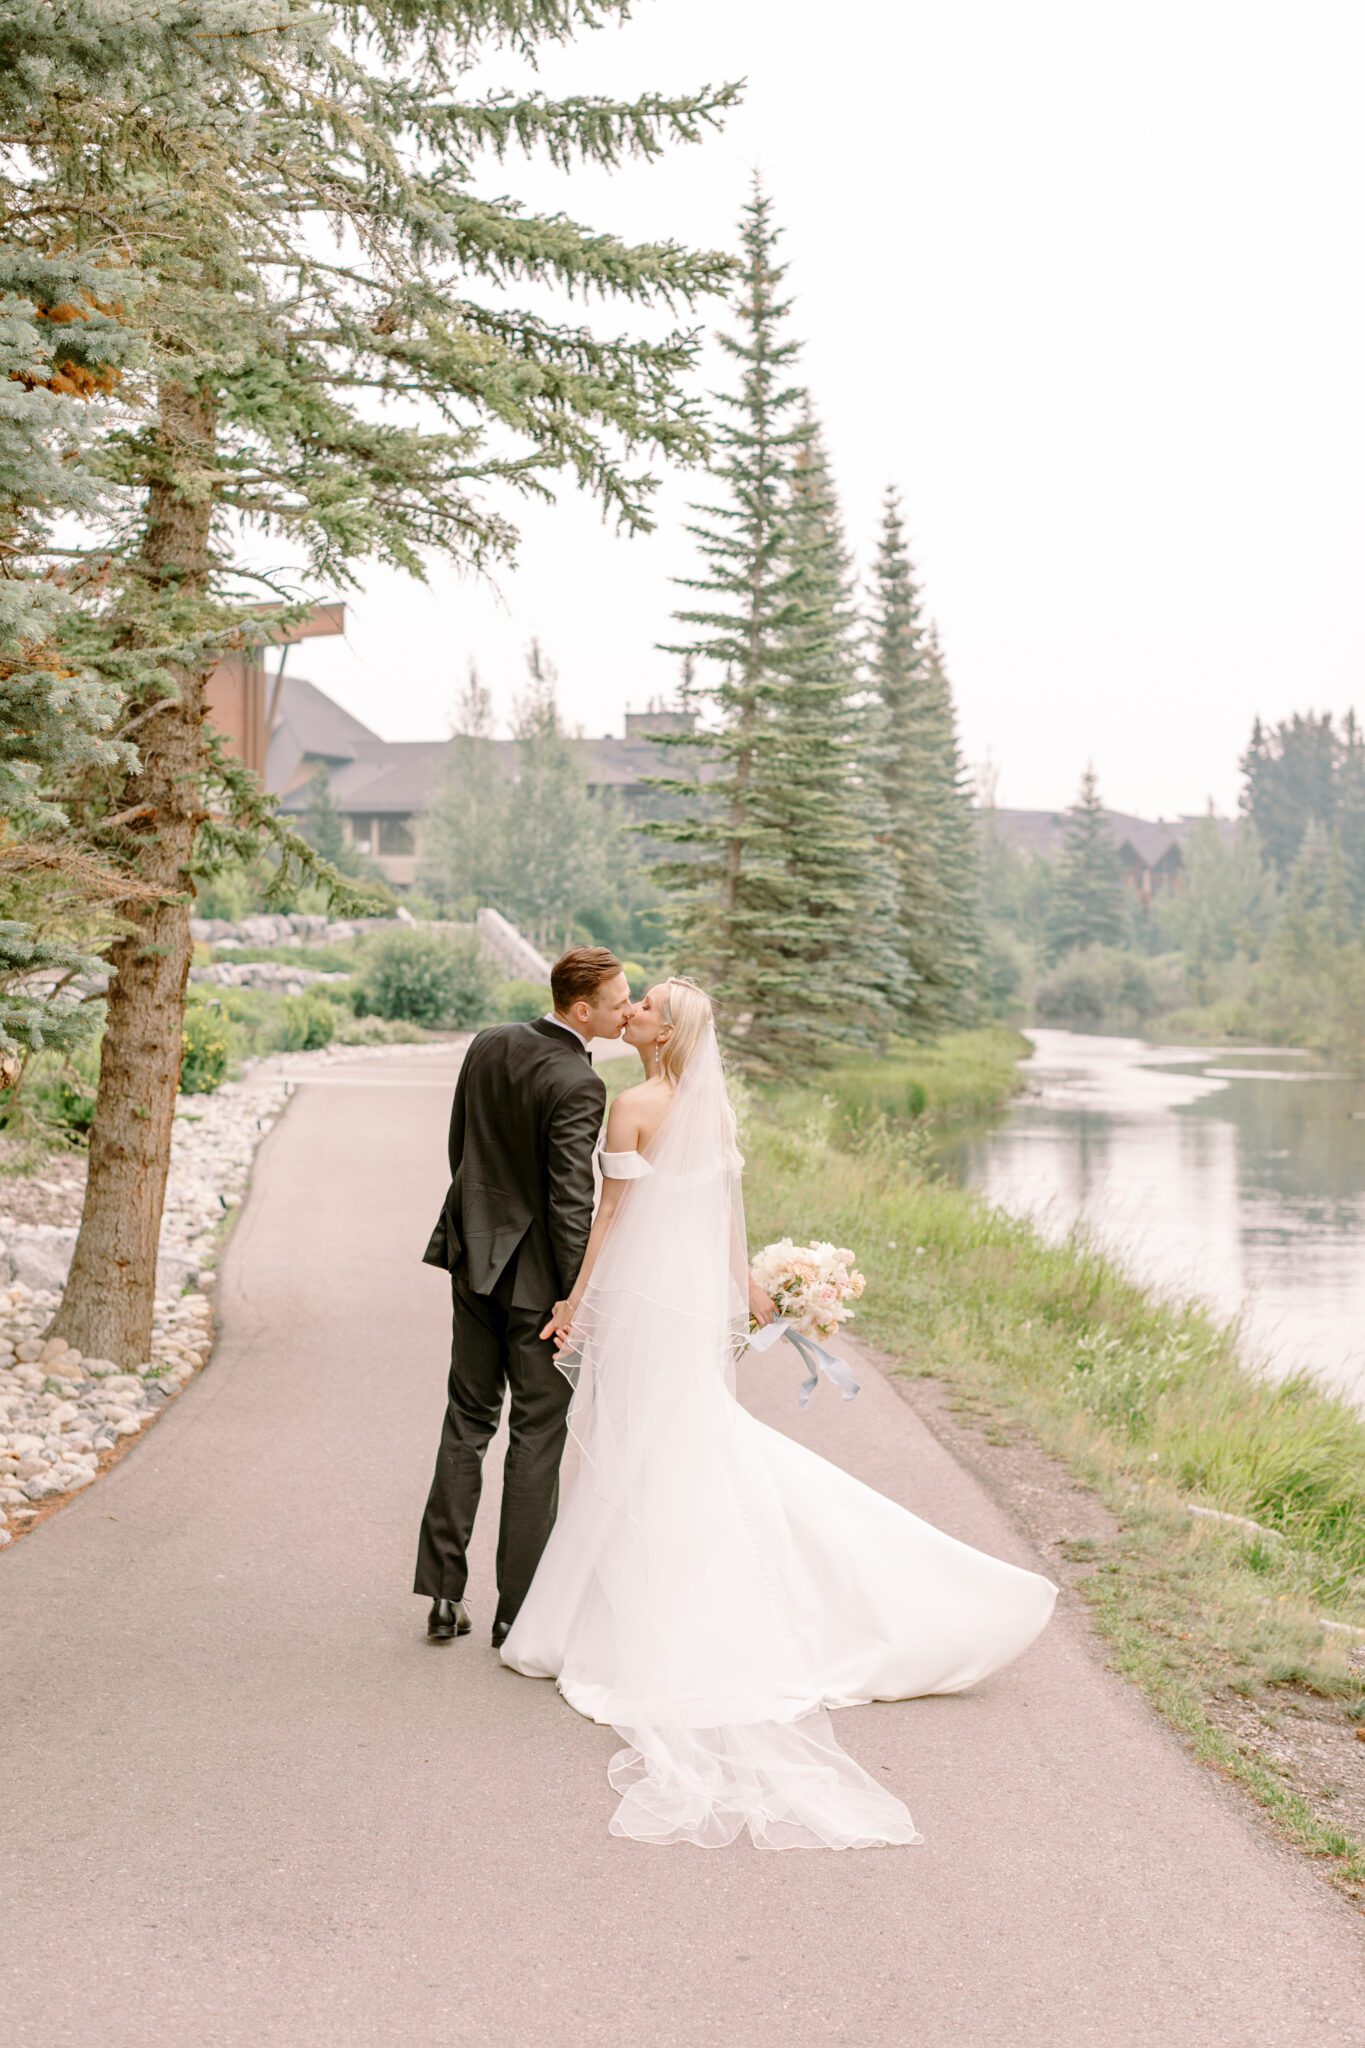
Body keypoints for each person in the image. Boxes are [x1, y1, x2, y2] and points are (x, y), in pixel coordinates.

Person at [501, 977, 1060, 1850]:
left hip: (652, 1299)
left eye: (644, 1005)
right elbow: (725, 1216)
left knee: (646, 1446)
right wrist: (748, 1290)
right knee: (684, 1440)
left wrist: (576, 1304)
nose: (632, 1011)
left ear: (664, 1031)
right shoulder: (707, 1114)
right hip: (692, 1301)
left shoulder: (634, 1106)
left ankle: (629, 1619)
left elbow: (609, 1218)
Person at [413, 946, 633, 1648]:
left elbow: (462, 1150)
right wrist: (576, 1299)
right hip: (537, 1286)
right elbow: (573, 1203)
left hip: (473, 1259)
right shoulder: (578, 1082)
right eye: (618, 1001)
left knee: (466, 1422)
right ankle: (517, 1611)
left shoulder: (490, 1043)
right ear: (580, 1010)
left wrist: (479, 1232)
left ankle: (443, 1597)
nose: (627, 1009)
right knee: (536, 1436)